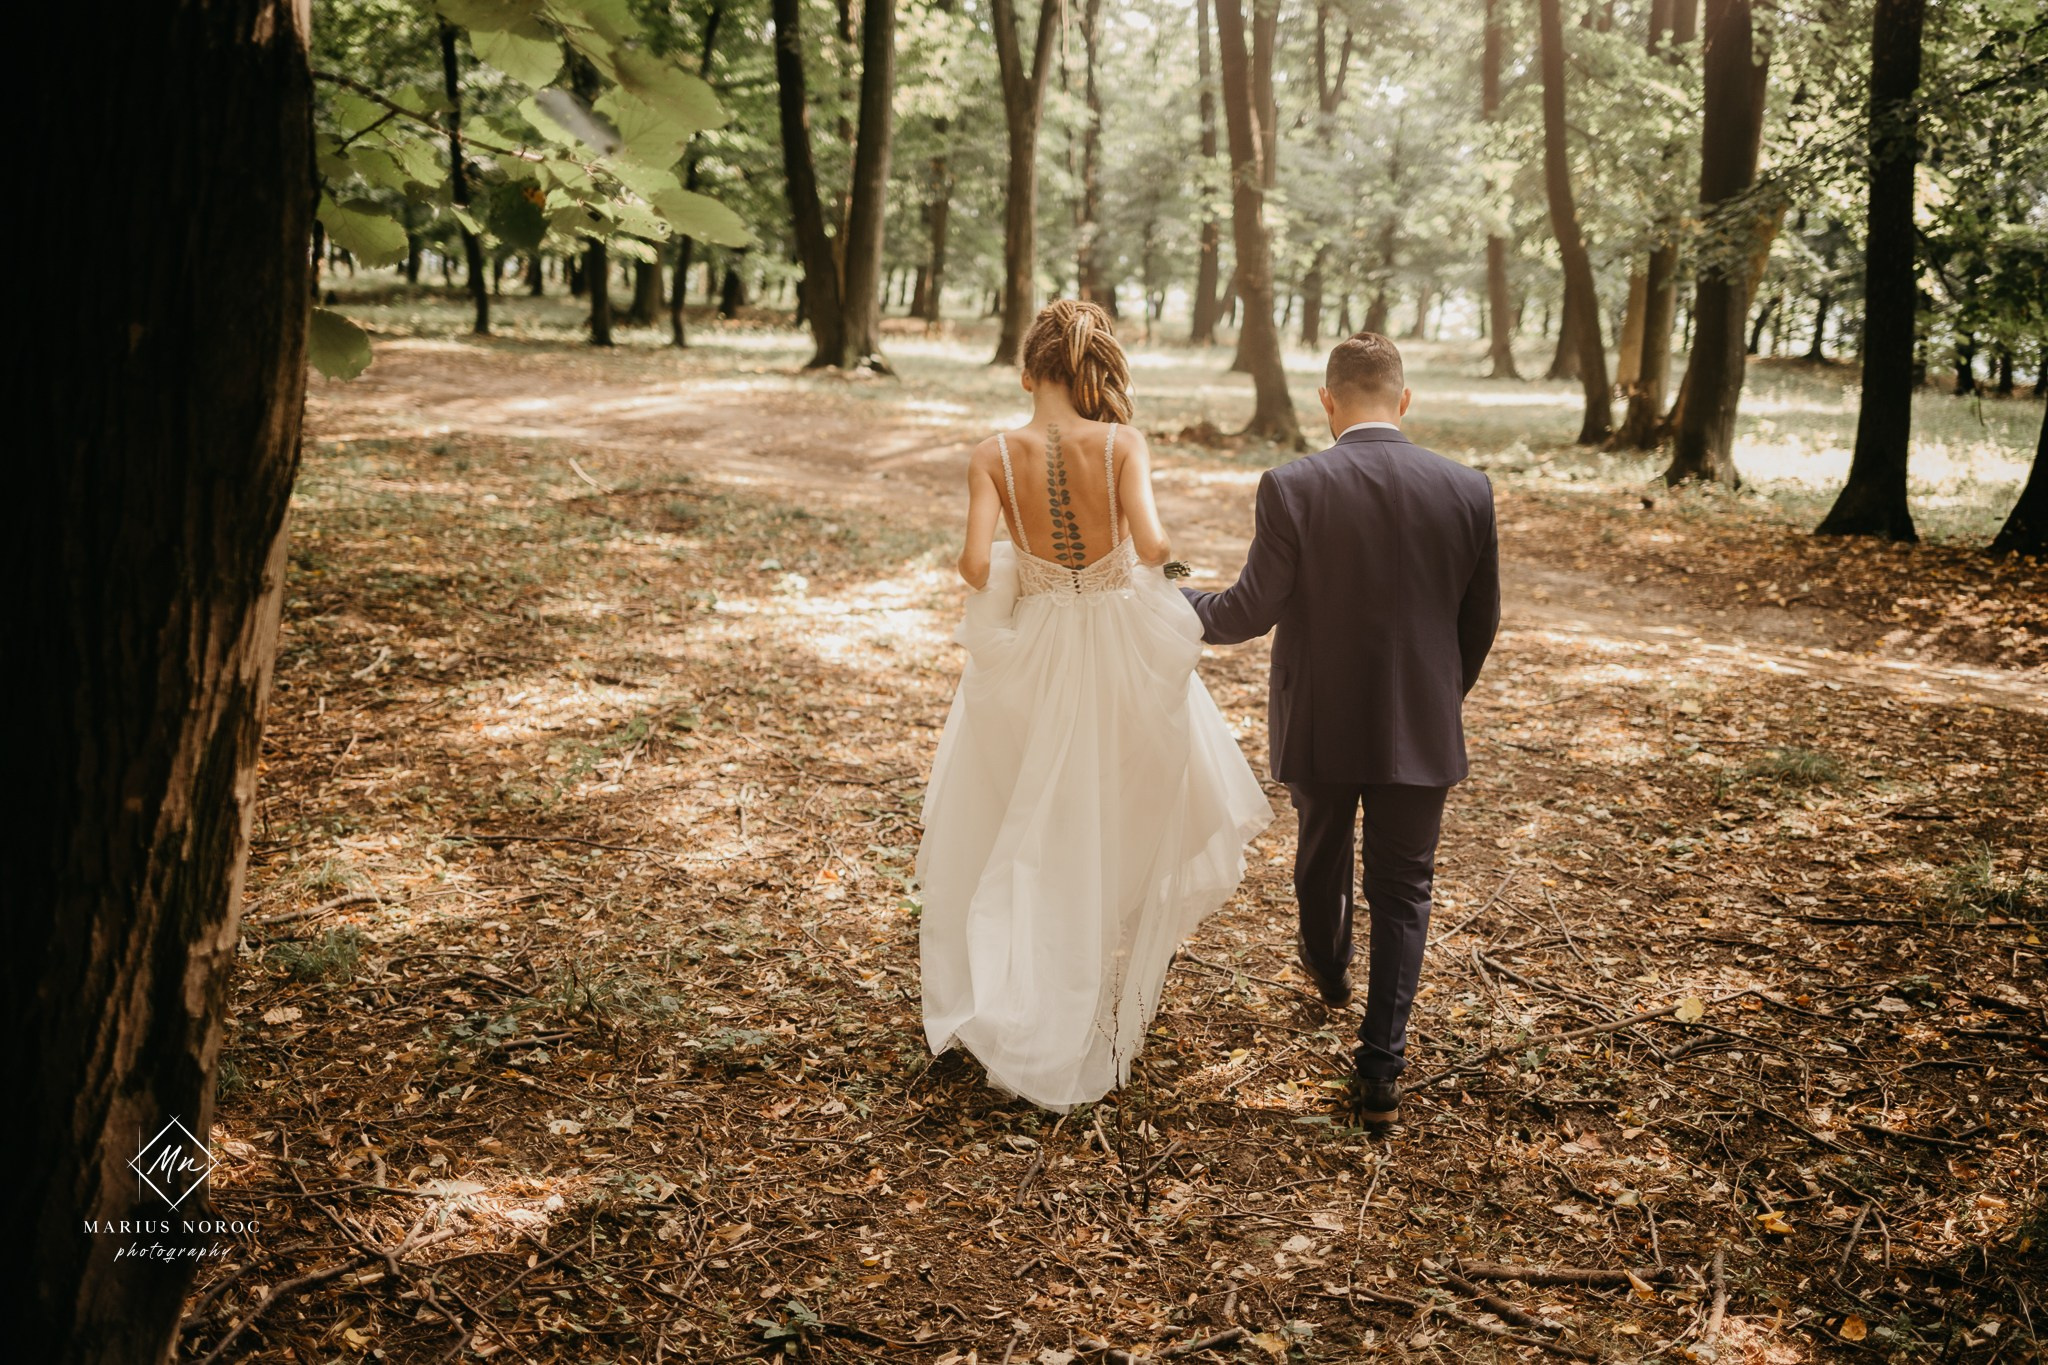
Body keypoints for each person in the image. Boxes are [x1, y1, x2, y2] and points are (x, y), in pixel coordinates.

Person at [917, 300, 1274, 1111]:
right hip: (1112, 641)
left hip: (1038, 646)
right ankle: (1095, 947)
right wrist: (1156, 564)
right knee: (1115, 797)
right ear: (1085, 373)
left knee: (1031, 807)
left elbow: (974, 565)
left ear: (1026, 373)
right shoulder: (1121, 444)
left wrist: (1023, 558)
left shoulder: (991, 454)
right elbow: (1152, 546)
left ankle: (1028, 986)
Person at [1183, 332, 1500, 1126]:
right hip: (1421, 723)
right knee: (1405, 889)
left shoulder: (1292, 485)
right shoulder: (1468, 489)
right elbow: (1480, 620)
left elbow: (1247, 610)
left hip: (1321, 718)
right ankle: (1381, 1067)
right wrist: (1438, 696)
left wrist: (1172, 601)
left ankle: (1328, 970)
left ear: (1327, 400)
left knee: (1320, 857)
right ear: (1404, 398)